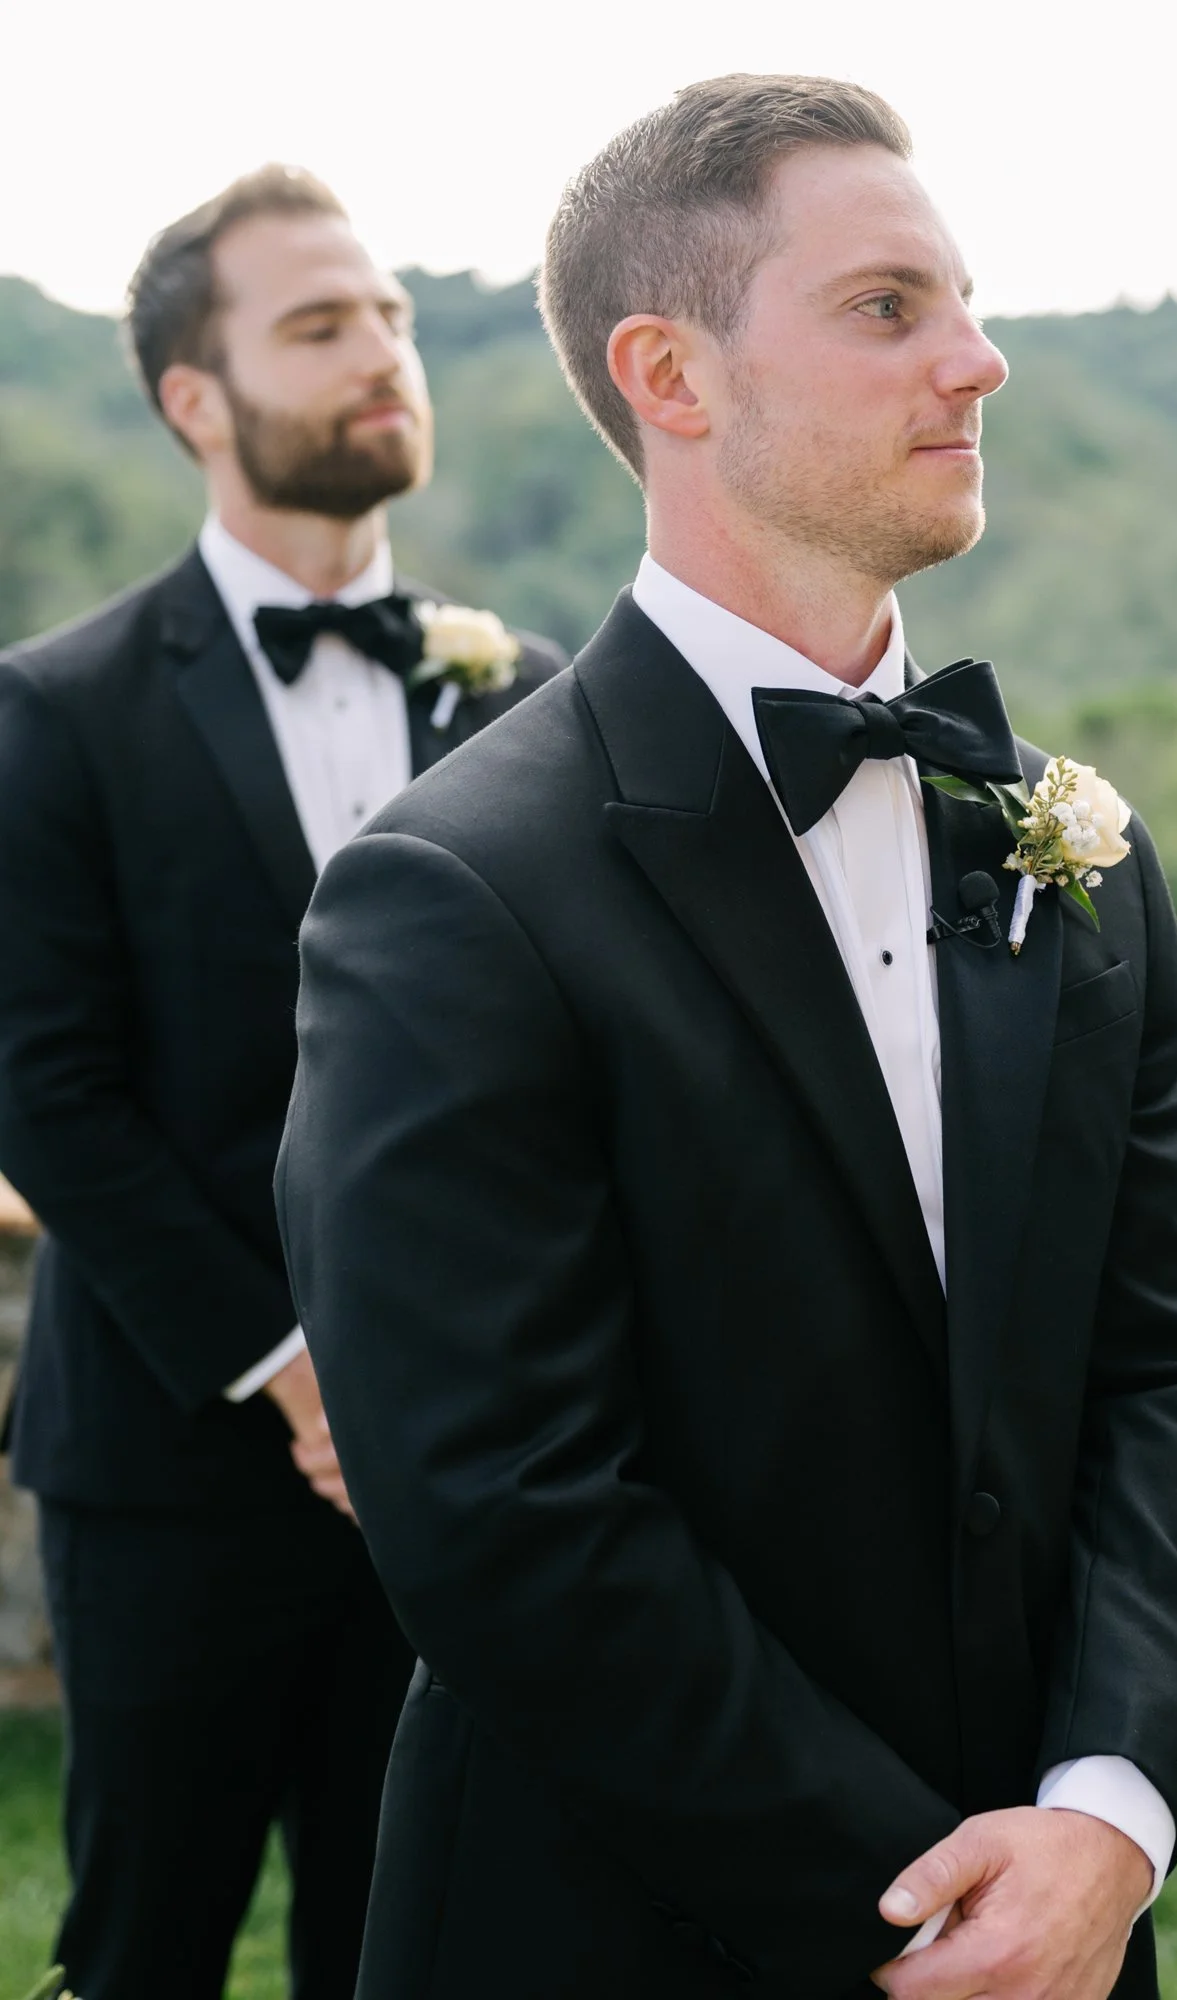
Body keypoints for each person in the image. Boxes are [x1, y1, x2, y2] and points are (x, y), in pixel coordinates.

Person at [275, 78, 1177, 2000]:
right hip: (617, 1925)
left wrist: (1105, 1819)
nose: (976, 360)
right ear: (672, 372)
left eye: (963, 302)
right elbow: (501, 1517)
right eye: (886, 308)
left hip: (1058, 1925)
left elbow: (1165, 1367)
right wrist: (914, 1906)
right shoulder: (449, 895)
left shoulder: (1069, 845)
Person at [0, 166, 563, 2000]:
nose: (381, 354)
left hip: (470, 1469)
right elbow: (46, 1089)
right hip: (173, 1460)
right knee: (144, 1937)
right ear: (194, 397)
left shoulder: (531, 701)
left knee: (414, 1944)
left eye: (390, 317)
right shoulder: (54, 712)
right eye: (319, 326)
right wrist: (290, 1362)